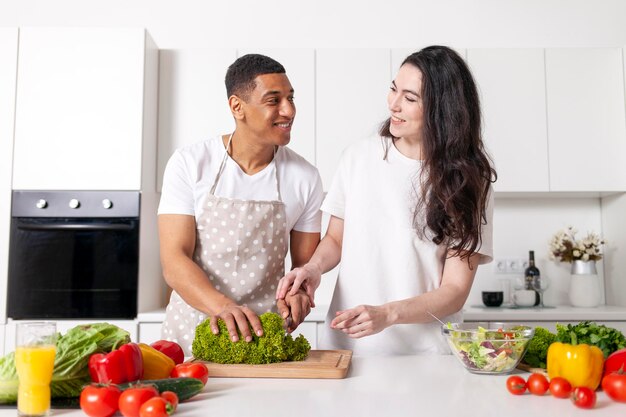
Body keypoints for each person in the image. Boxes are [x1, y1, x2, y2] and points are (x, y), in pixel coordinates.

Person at [276, 46, 496, 355]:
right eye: (393, 90)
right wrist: (313, 268)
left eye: (409, 98)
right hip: (346, 348)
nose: (393, 104)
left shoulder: (471, 181)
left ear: (443, 110)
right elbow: (336, 240)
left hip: (425, 357)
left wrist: (388, 314)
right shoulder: (359, 157)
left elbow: (455, 291)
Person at [158, 54, 324, 355]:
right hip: (189, 337)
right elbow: (174, 259)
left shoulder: (306, 177)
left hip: (261, 342)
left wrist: (299, 294)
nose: (289, 110)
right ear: (238, 107)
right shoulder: (190, 163)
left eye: (290, 98)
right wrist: (224, 307)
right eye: (274, 100)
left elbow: (303, 266)